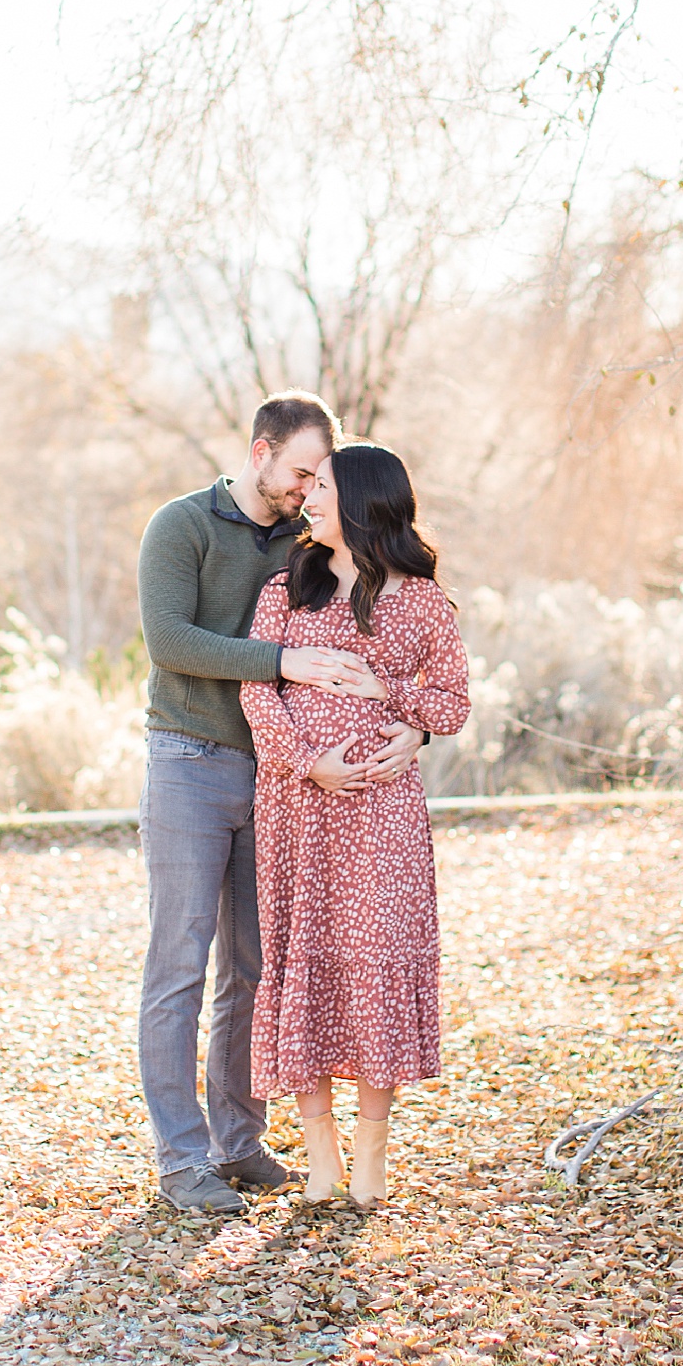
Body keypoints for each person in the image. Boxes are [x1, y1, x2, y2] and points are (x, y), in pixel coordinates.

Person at [135, 391, 427, 1215]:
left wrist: (417, 728)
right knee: (179, 966)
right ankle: (182, 1158)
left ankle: (240, 1142)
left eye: (318, 477)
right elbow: (172, 642)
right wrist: (284, 661)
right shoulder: (182, 525)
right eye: (299, 471)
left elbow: (375, 641)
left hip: (280, 782)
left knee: (255, 968)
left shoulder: (302, 545)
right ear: (259, 451)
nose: (307, 489)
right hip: (191, 759)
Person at [240, 440, 471, 1207]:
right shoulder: (287, 587)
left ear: (366, 501)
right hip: (300, 807)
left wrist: (391, 691)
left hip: (381, 814)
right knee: (304, 961)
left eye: (326, 487)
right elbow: (255, 691)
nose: (310, 499)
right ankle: (320, 1158)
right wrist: (309, 763)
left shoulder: (423, 601)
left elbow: (452, 705)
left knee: (371, 962)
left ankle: (370, 1153)